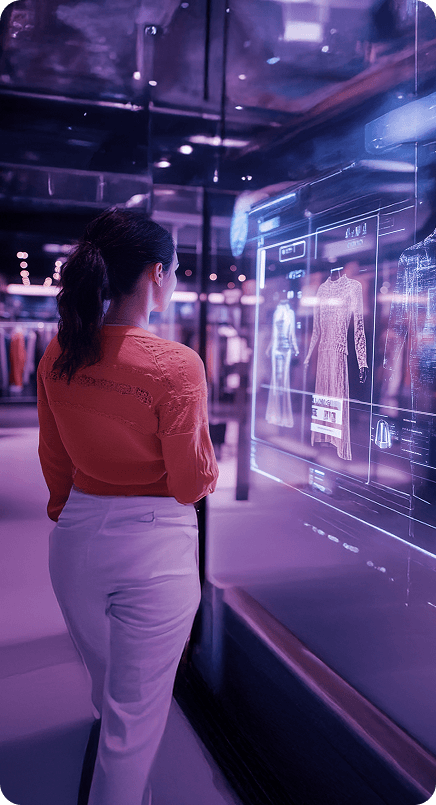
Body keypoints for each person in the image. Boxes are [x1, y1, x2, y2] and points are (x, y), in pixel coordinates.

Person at [36, 207, 219, 805]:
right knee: (132, 723)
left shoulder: (58, 354)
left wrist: (77, 514)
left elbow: (55, 461)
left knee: (108, 686)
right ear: (156, 273)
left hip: (76, 541)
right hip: (156, 547)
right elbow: (192, 483)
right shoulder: (176, 365)